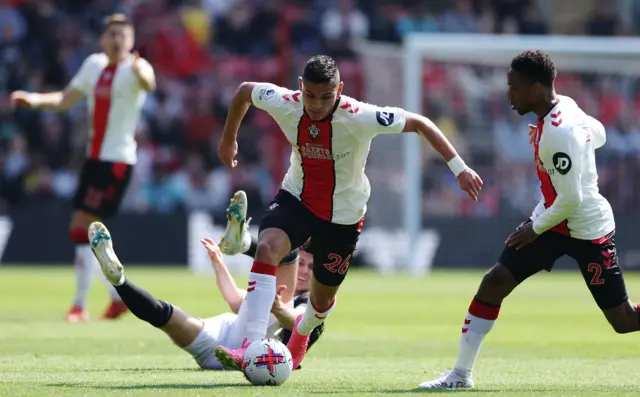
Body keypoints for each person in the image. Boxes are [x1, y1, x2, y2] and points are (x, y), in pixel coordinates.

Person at [214, 54, 483, 371]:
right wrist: (228, 139)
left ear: (339, 89)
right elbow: (246, 90)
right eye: (310, 96)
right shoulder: (286, 102)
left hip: (343, 216)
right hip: (297, 198)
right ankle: (250, 347)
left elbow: (420, 123)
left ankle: (298, 339)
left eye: (326, 97)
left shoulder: (359, 116)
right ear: (300, 87)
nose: (316, 105)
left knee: (320, 304)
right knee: (268, 245)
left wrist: (460, 168)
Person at [418, 50, 638, 389]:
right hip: (553, 221)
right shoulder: (564, 106)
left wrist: (534, 228)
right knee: (495, 282)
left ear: (536, 87)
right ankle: (460, 376)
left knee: (624, 321)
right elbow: (600, 133)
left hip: (587, 228)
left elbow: (573, 198)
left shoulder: (558, 133)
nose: (509, 95)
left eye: (513, 87)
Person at [10, 14, 156, 322]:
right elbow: (65, 100)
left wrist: (142, 69)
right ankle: (115, 298)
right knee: (85, 228)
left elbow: (149, 82)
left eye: (123, 35)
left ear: (131, 42)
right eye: (112, 34)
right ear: (103, 39)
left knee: (82, 225)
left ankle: (81, 304)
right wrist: (33, 100)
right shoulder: (93, 65)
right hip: (94, 159)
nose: (117, 40)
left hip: (118, 161)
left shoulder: (136, 69)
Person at [87, 219, 323, 370]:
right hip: (222, 339)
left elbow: (302, 324)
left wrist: (279, 309)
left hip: (256, 355)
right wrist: (219, 264)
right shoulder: (271, 297)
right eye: (302, 264)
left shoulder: (308, 302)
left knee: (287, 249)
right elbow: (235, 300)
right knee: (163, 315)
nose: (303, 272)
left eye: (310, 268)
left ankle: (242, 243)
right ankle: (119, 281)